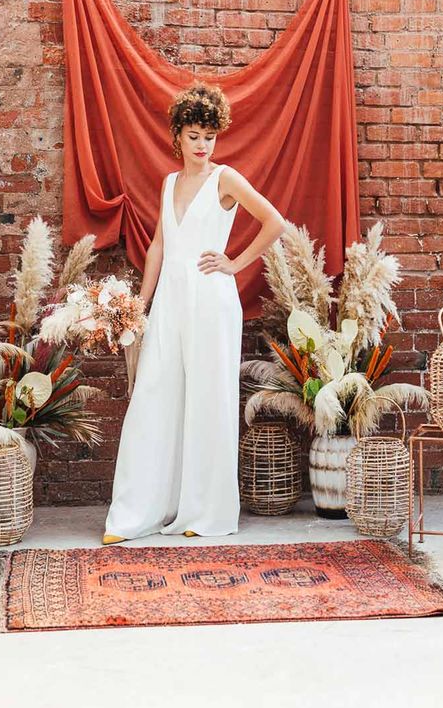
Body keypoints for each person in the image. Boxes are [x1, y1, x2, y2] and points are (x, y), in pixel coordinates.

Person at [103, 83, 286, 543]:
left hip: (210, 301)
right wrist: (139, 306)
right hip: (169, 301)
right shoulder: (169, 183)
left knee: (208, 400)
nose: (203, 144)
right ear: (177, 137)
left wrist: (234, 263)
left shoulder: (225, 180)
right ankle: (135, 514)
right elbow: (161, 245)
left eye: (209, 135)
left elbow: (274, 222)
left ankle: (206, 513)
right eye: (193, 135)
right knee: (154, 395)